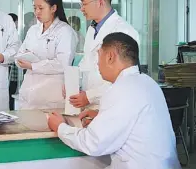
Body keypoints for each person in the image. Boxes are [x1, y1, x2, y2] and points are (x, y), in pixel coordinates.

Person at [48, 33, 180, 169]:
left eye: (99, 55)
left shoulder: (121, 89)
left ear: (110, 56)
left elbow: (93, 143)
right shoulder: (147, 82)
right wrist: (101, 115)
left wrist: (60, 128)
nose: (97, 63)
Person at [68, 0, 139, 110]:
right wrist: (73, 83)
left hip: (111, 103)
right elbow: (87, 61)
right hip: (89, 104)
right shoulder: (92, 29)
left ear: (100, 2)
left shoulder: (124, 31)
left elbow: (123, 77)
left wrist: (90, 96)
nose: (81, 9)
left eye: (84, 4)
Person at [16, 0, 77, 110]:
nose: (37, 12)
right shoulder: (33, 30)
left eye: (41, 8)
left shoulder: (65, 31)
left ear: (53, 8)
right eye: (34, 8)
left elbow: (62, 64)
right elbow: (20, 53)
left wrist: (33, 65)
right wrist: (21, 61)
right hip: (29, 95)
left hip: (50, 97)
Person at [8, 13, 19, 110]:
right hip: (11, 71)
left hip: (15, 71)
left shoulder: (16, 35)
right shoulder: (9, 35)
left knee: (11, 93)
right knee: (10, 93)